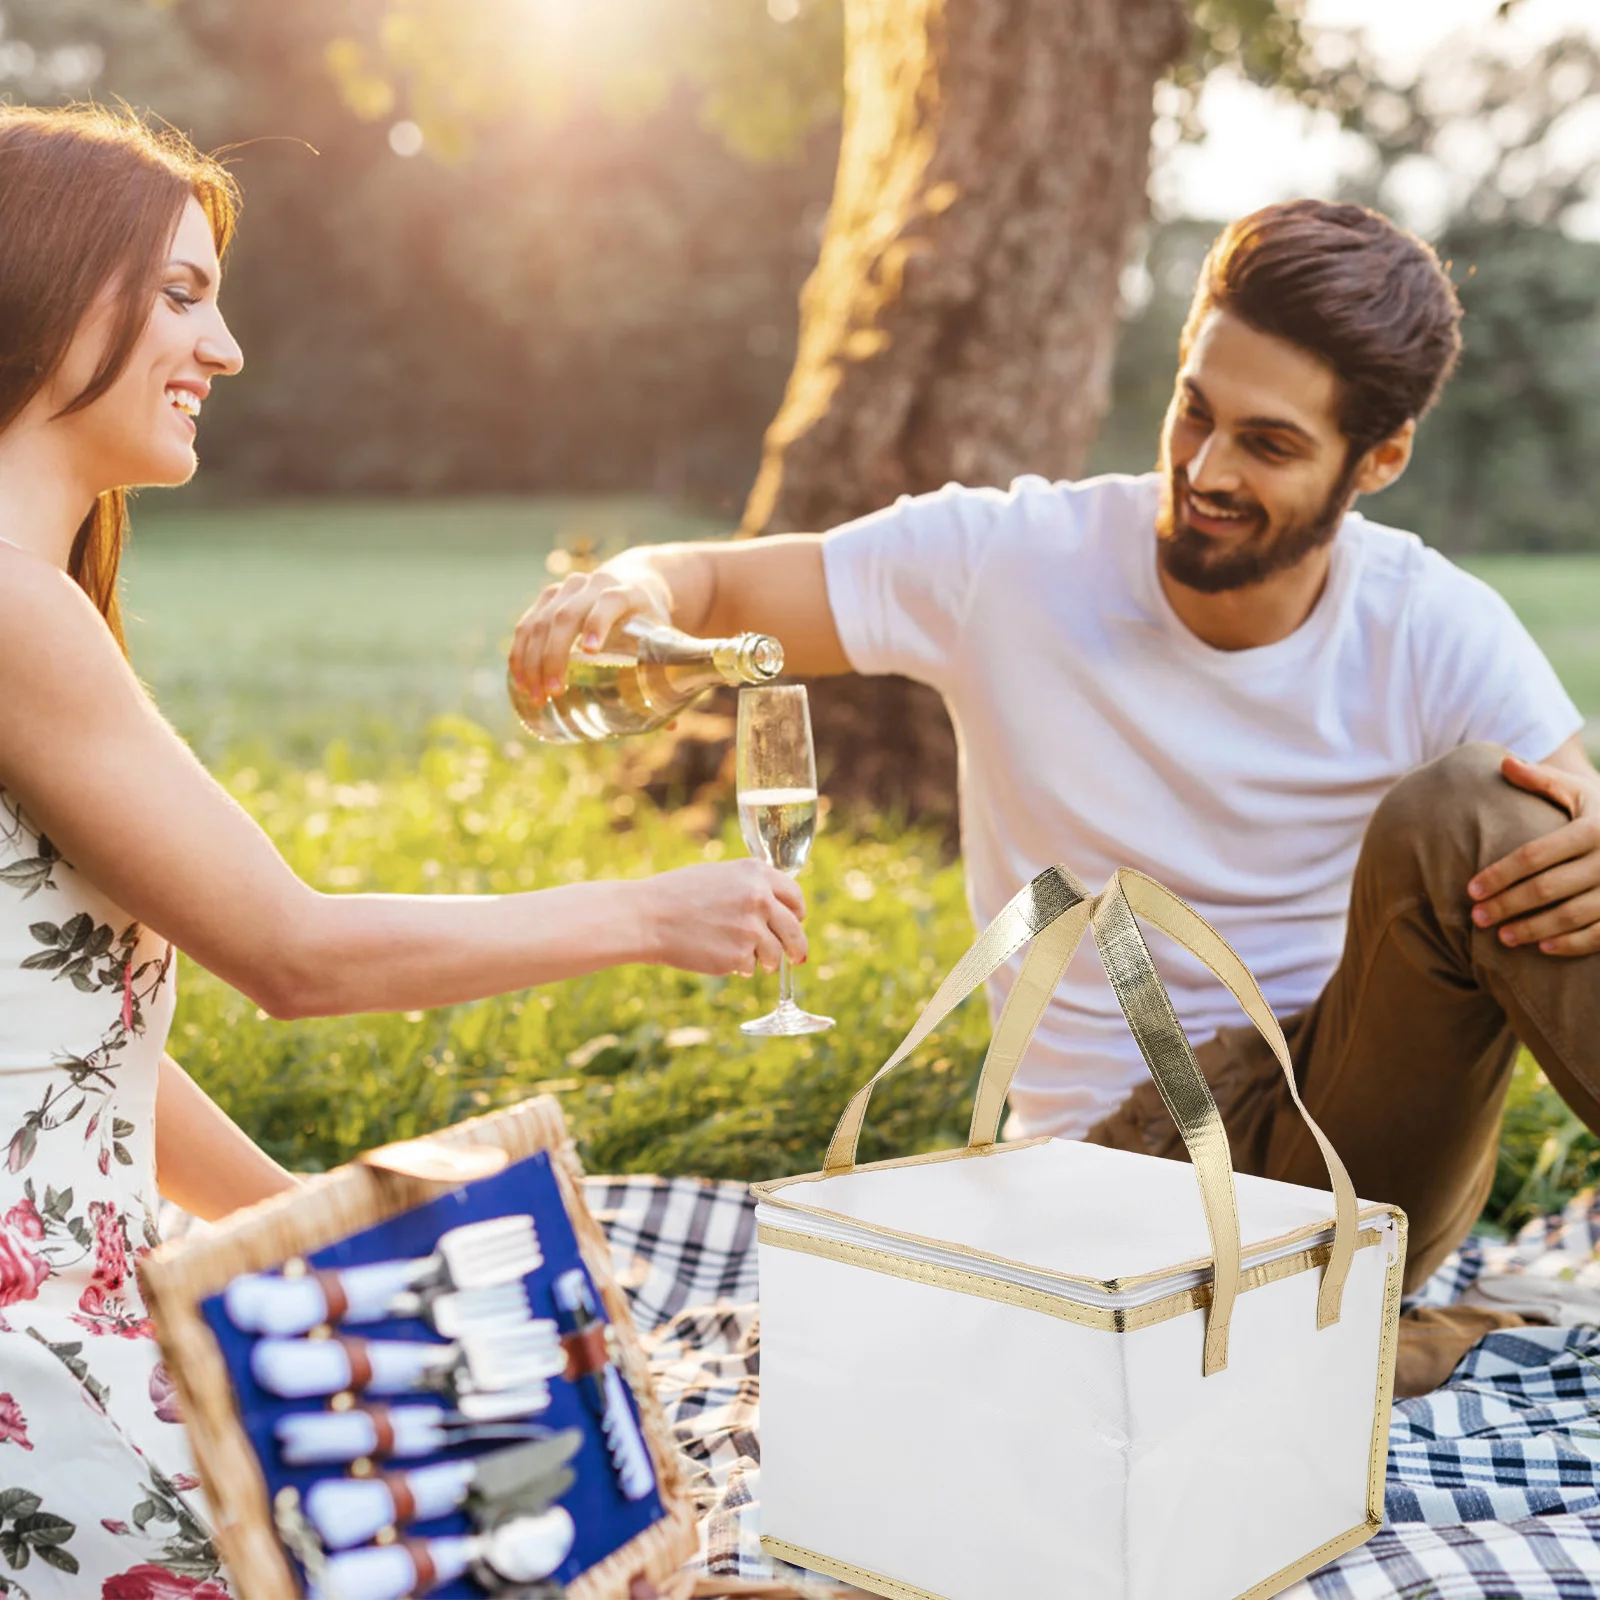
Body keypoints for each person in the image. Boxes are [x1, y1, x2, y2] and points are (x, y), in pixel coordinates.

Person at [514, 199, 1600, 1395]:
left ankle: (1328, 1335)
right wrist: (626, 588)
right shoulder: (1009, 560)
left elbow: (1563, 823)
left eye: (1268, 444)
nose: (1205, 470)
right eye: (1194, 410)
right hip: (1112, 1166)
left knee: (1495, 813)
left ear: (1377, 460)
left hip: (1343, 1135)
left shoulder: (1429, 624)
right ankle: (1383, 1341)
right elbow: (717, 589)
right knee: (1161, 1362)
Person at [0, 105, 808, 1593]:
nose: (226, 348)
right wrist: (648, 914)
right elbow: (296, 956)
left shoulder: (31, 599)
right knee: (546, 1525)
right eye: (180, 294)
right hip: (41, 1358)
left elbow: (63, 1043)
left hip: (94, 1269)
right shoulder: (11, 607)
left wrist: (296, 1216)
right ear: (43, 287)